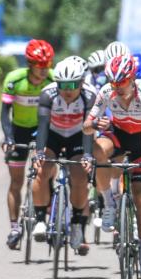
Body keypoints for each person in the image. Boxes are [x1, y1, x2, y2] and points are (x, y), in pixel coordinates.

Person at [84, 53, 141, 279]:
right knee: (98, 149)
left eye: (122, 82)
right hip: (118, 136)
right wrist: (95, 123)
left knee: (140, 198)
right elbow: (86, 126)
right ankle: (108, 203)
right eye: (113, 82)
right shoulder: (106, 91)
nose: (117, 87)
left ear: (133, 78)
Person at [33, 56, 96, 255]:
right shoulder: (48, 94)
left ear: (82, 83)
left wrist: (87, 155)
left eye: (72, 85)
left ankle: (77, 223)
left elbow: (88, 129)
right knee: (41, 171)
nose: (67, 90)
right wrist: (39, 153)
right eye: (63, 85)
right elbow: (43, 126)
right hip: (53, 134)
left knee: (79, 177)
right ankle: (40, 219)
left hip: (78, 135)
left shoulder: (90, 95)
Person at [1, 39, 55, 250]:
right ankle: (15, 228)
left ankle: (49, 213)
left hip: (44, 129)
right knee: (16, 182)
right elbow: (5, 113)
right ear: (30, 64)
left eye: (47, 65)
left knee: (48, 171)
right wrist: (8, 138)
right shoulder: (15, 80)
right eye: (40, 65)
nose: (44, 70)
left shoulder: (52, 79)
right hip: (19, 131)